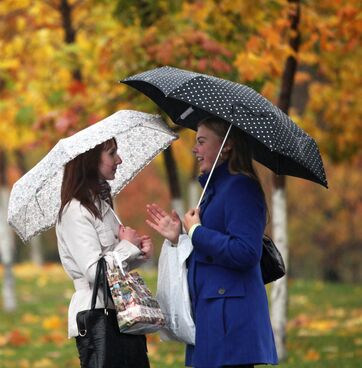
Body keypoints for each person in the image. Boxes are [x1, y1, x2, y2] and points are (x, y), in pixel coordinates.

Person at [146, 118, 279, 368]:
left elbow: (247, 252)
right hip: (212, 314)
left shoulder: (241, 187)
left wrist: (196, 232)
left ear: (226, 145)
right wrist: (180, 237)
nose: (195, 149)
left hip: (230, 322)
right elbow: (211, 250)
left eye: (201, 141)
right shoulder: (216, 189)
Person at [56, 138, 152, 367]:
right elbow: (94, 272)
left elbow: (114, 262)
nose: (119, 159)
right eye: (112, 153)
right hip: (98, 312)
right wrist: (127, 246)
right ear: (90, 159)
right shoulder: (75, 211)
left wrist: (137, 251)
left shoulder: (101, 206)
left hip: (123, 311)